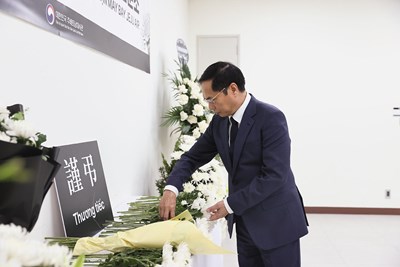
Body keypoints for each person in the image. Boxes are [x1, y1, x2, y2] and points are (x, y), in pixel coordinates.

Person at [159, 61, 308, 267]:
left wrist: (230, 205)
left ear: (233, 89)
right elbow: (193, 157)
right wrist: (171, 188)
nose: (210, 107)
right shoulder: (220, 122)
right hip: (245, 223)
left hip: (277, 224)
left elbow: (274, 175)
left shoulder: (271, 118)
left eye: (212, 99)